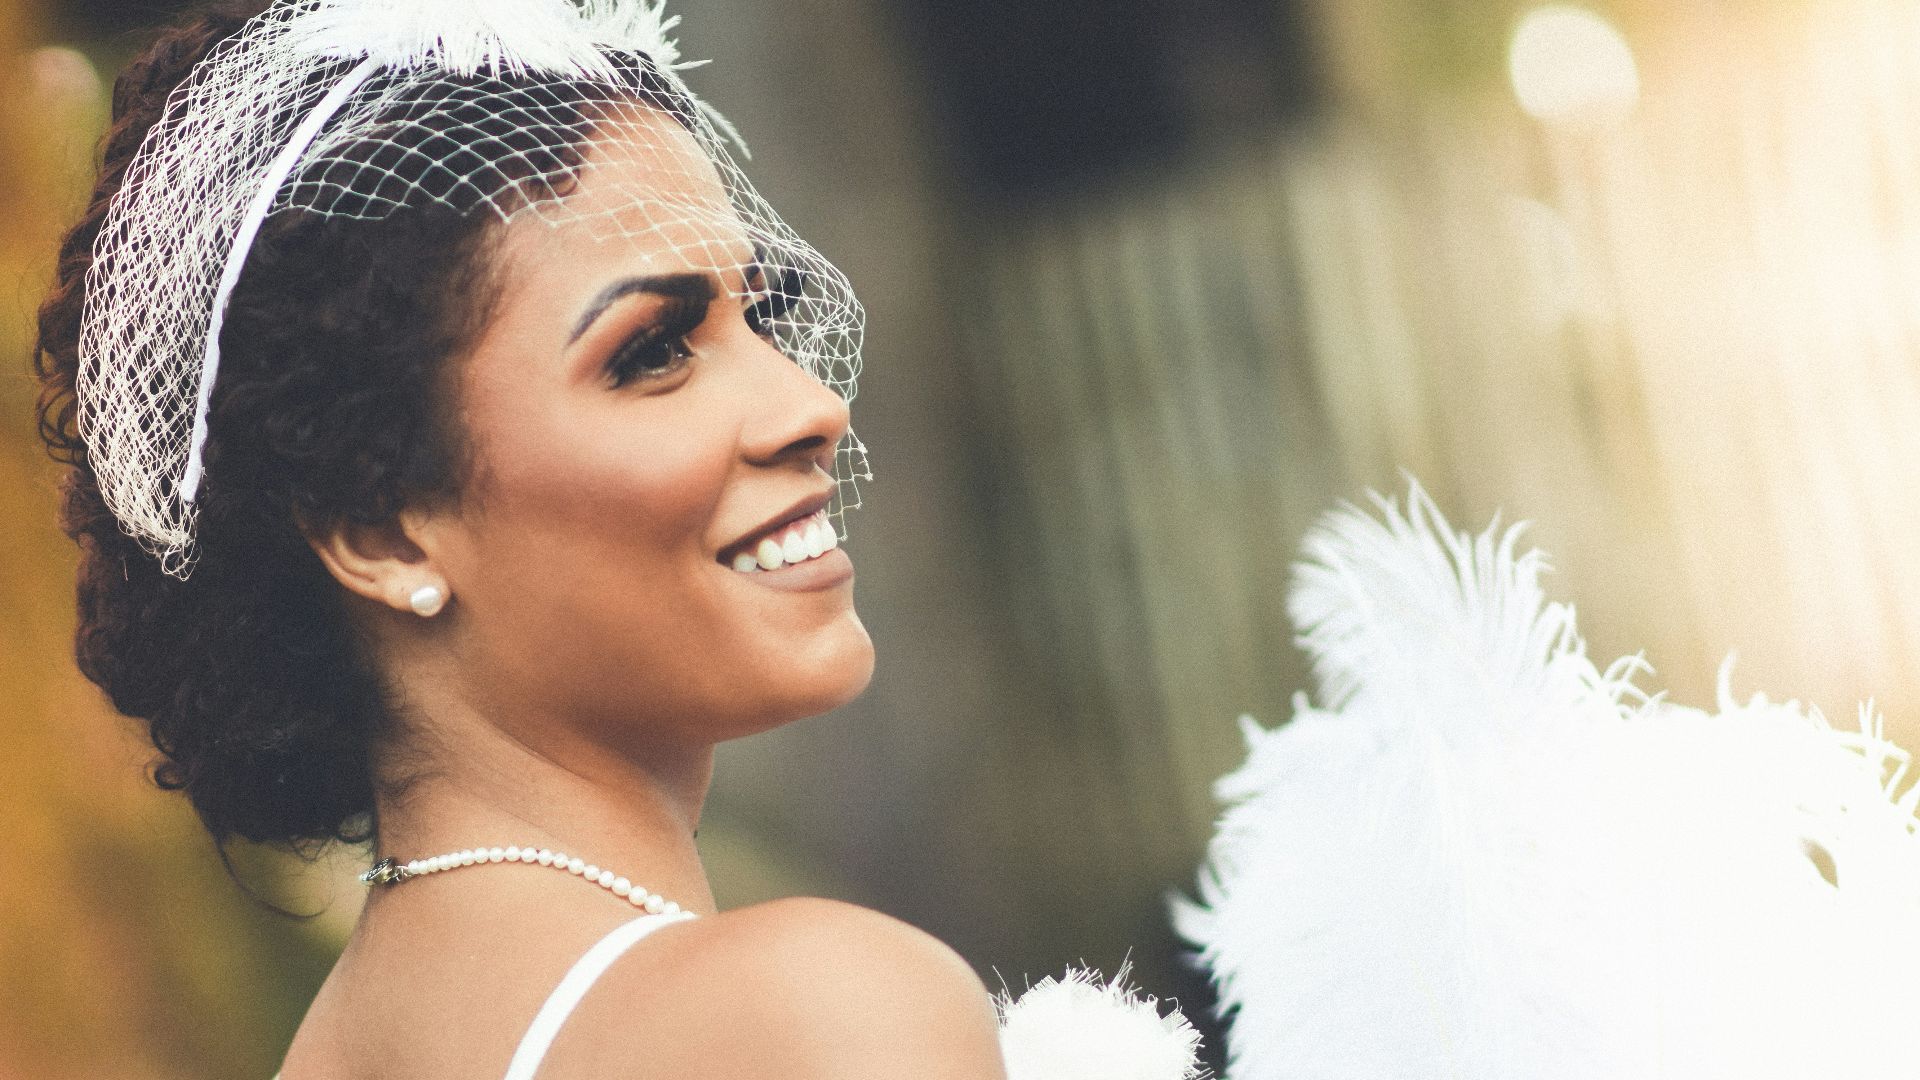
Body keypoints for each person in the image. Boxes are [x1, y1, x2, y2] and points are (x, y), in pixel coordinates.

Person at [33, 1, 1009, 1076]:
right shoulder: (811, 1014)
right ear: (382, 532)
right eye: (652, 352)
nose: (812, 407)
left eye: (762, 318)